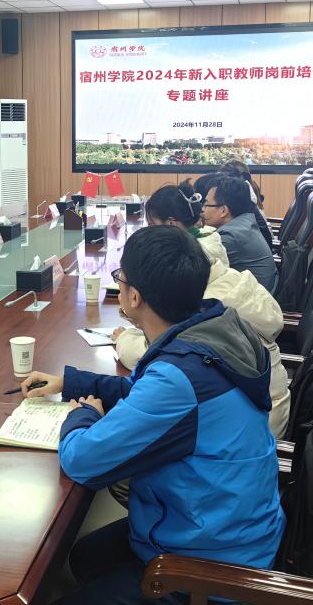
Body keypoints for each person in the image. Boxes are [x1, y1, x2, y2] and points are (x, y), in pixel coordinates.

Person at [22, 226, 283, 605]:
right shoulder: (213, 330)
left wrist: (84, 416)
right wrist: (73, 382)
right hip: (229, 527)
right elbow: (150, 395)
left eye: (120, 278)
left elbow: (82, 461)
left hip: (211, 568)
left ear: (134, 296)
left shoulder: (181, 376)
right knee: (84, 558)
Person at [113, 182, 289, 437]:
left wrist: (125, 337)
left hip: (249, 433)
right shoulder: (217, 269)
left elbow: (154, 355)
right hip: (252, 415)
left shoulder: (206, 302)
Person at [199, 174, 279, 292]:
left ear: (223, 210)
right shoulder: (245, 223)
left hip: (252, 300)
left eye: (206, 204)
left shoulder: (230, 237)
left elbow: (196, 266)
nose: (202, 209)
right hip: (262, 293)